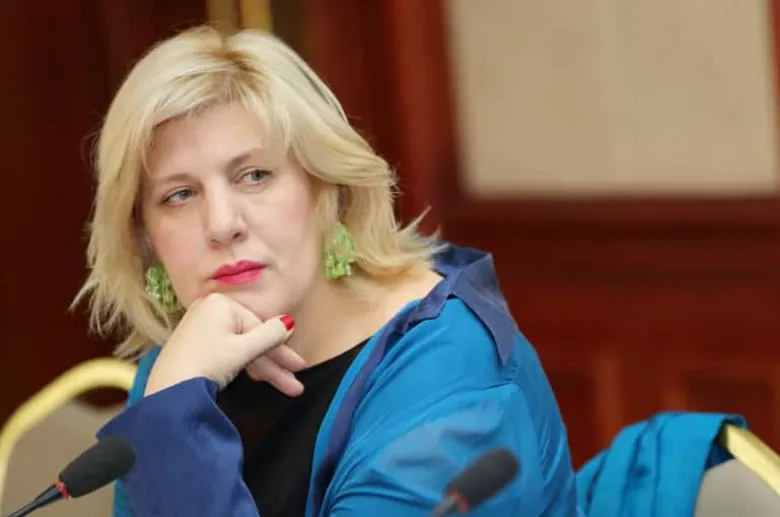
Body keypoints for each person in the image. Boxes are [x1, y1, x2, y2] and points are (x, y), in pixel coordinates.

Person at [73, 25, 581, 517]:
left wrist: (173, 417)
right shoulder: (183, 362)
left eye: (254, 175)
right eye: (180, 195)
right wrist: (174, 398)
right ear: (146, 238)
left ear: (327, 193)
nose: (222, 224)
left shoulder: (453, 371)